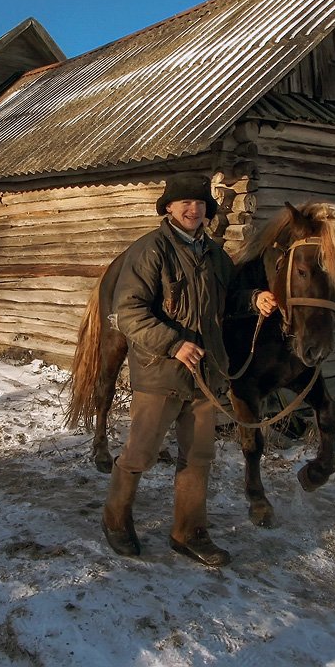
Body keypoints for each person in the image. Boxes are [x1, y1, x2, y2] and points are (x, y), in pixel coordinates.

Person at [101, 173, 237, 567]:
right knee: (140, 454)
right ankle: (115, 518)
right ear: (169, 208)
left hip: (204, 375)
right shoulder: (150, 249)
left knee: (198, 457)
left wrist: (256, 299)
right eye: (185, 203)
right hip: (159, 373)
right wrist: (174, 344)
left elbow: (229, 301)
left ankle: (188, 532)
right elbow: (129, 312)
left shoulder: (214, 256)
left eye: (199, 203)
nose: (193, 209)